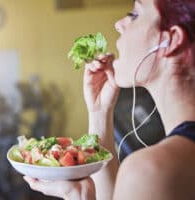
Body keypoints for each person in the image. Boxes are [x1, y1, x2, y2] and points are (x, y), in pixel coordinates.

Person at [23, 0, 195, 199]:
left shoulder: (151, 171)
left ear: (172, 40)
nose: (119, 24)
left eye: (135, 15)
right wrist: (99, 112)